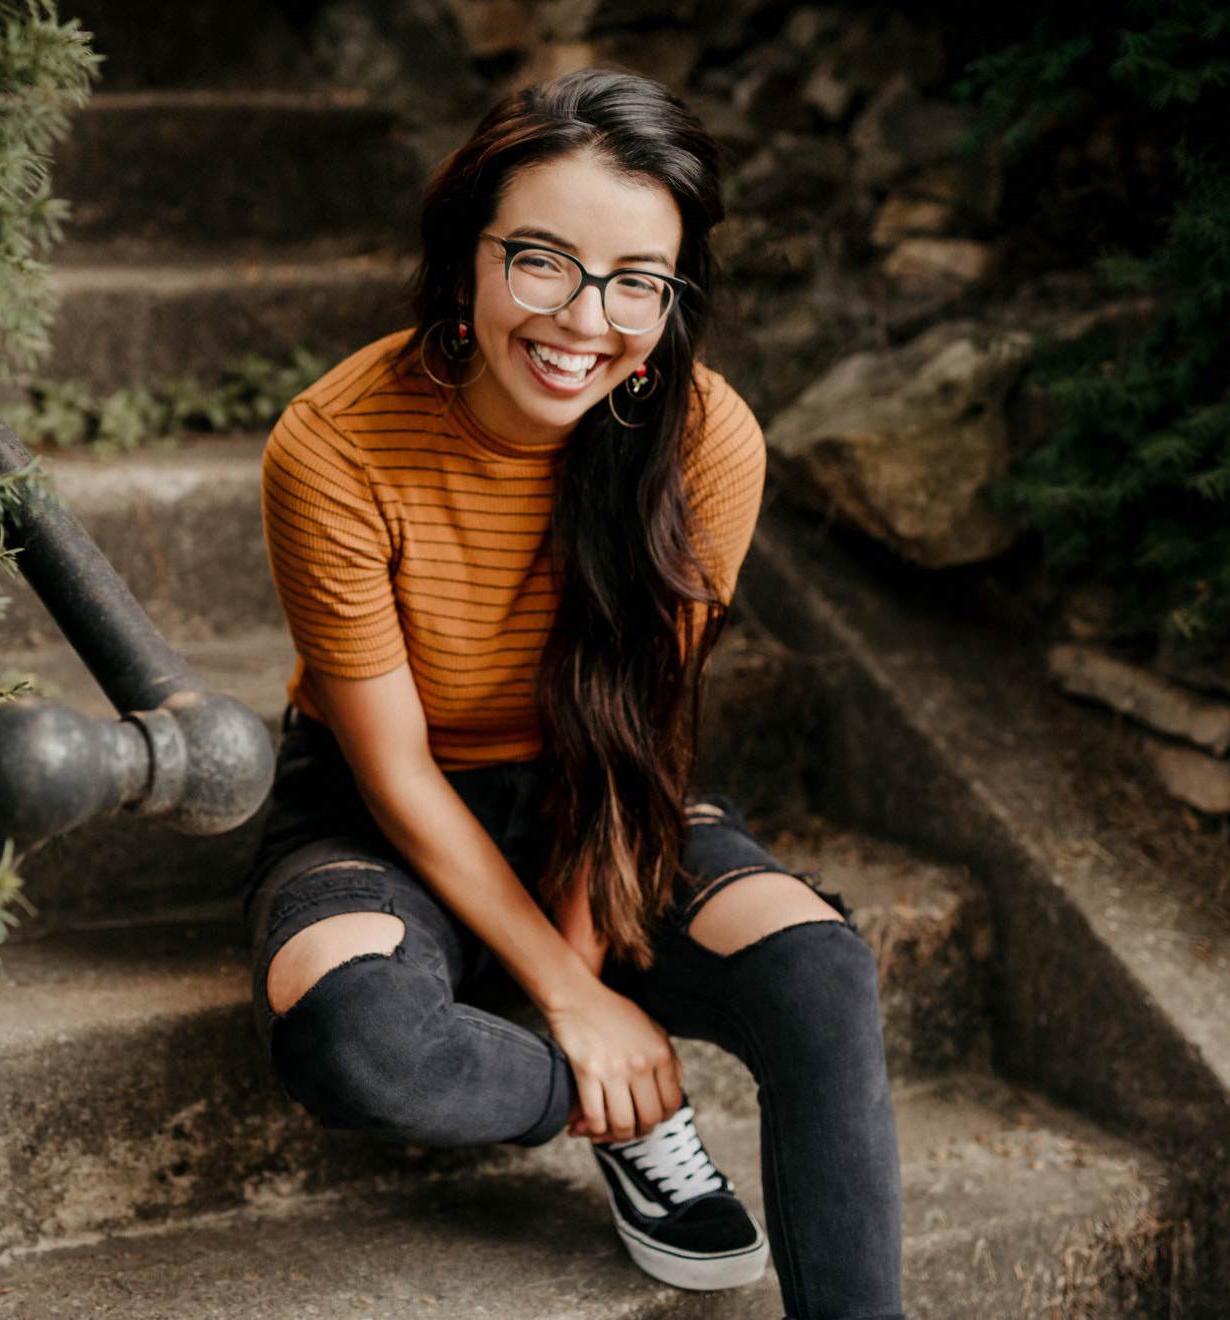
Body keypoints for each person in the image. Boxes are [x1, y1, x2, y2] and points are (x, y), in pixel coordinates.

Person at [239, 67, 906, 1320]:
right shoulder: (333, 445)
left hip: (600, 792)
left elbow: (637, 734)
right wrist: (572, 1011)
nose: (584, 318)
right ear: (467, 257)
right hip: (379, 812)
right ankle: (628, 1117)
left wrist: (588, 963)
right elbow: (392, 771)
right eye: (540, 259)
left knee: (823, 974)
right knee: (355, 1033)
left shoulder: (708, 441)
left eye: (635, 282)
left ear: (672, 296)